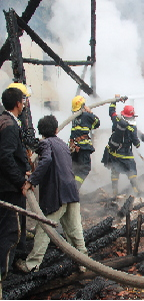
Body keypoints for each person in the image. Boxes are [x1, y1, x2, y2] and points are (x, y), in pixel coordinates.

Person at [16, 115, 87, 273]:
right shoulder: (61, 144)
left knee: (44, 228)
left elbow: (47, 160)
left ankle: (32, 264)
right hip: (71, 191)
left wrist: (31, 181)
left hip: (57, 193)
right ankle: (83, 262)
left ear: (41, 132)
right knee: (75, 229)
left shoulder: (45, 143)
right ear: (56, 129)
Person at [0, 87, 30, 277]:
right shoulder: (9, 125)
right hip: (9, 188)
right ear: (18, 103)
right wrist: (21, 181)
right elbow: (5, 156)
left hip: (6, 185)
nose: (25, 104)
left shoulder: (5, 121)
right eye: (23, 100)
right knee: (11, 230)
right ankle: (4, 274)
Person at [101, 101, 141, 196]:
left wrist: (114, 101)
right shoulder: (132, 127)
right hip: (126, 154)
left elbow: (111, 111)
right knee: (132, 171)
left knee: (115, 171)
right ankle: (136, 190)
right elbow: (136, 142)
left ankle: (115, 192)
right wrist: (138, 144)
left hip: (115, 153)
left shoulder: (116, 120)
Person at [69, 96, 100, 189]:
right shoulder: (86, 115)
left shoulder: (74, 117)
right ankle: (74, 189)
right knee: (84, 169)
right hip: (83, 147)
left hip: (74, 147)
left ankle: (70, 188)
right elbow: (97, 123)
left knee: (74, 169)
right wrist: (90, 112)